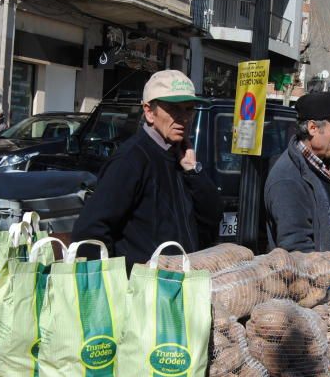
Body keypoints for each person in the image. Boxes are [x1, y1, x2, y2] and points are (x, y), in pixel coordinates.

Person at [70, 69, 222, 270]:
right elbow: (90, 231)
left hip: (178, 285)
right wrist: (114, 287)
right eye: (174, 109)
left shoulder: (180, 156)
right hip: (143, 291)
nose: (184, 118)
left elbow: (211, 217)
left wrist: (193, 171)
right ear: (150, 112)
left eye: (188, 109)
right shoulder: (131, 159)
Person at [264, 91, 330, 263]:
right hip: (318, 283)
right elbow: (296, 249)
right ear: (312, 128)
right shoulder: (287, 179)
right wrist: (326, 279)